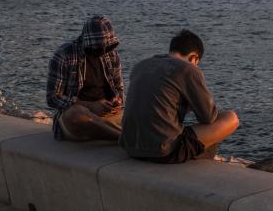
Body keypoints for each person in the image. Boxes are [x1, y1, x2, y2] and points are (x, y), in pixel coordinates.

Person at [119, 30, 240, 163]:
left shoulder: (141, 66)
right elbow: (209, 118)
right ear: (194, 57)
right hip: (162, 151)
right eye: (196, 63)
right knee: (231, 118)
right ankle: (202, 156)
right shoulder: (188, 69)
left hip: (130, 148)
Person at [46, 15, 124, 142]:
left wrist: (117, 100)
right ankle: (122, 138)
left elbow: (119, 89)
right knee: (75, 115)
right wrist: (91, 106)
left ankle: (114, 134)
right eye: (98, 48)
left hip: (109, 115)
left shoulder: (112, 54)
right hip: (80, 114)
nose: (103, 51)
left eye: (107, 47)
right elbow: (52, 98)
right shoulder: (64, 54)